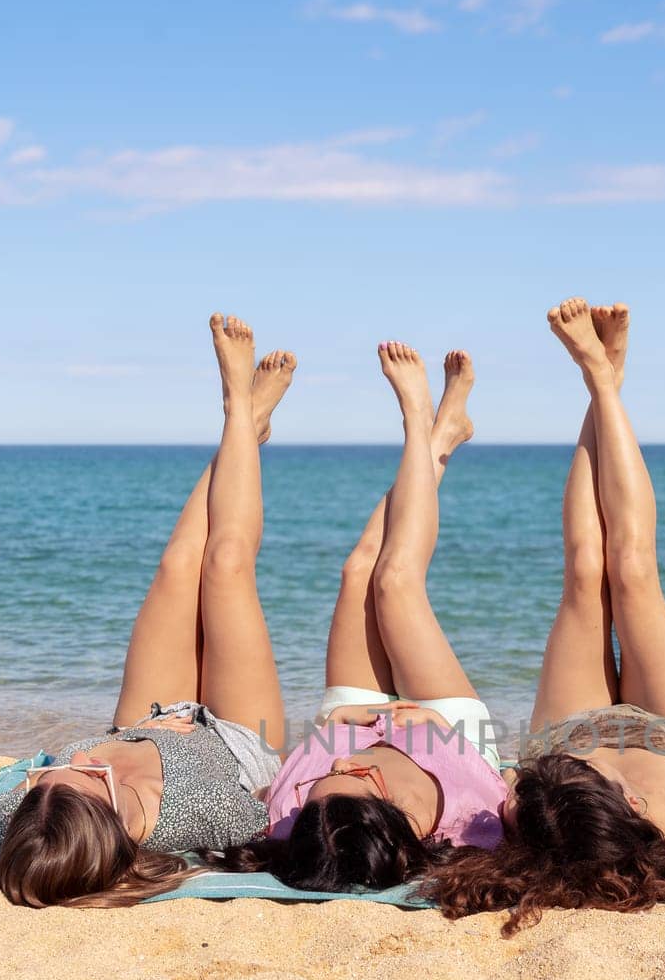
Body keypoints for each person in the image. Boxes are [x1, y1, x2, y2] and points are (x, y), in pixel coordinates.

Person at [428, 298, 665, 934]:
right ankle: (606, 378)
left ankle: (601, 379)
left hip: (567, 734)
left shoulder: (540, 819)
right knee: (632, 571)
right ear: (634, 807)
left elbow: (509, 793)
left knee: (583, 574)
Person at [0, 314, 294, 907]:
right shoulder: (196, 818)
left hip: (145, 720)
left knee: (177, 565)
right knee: (224, 564)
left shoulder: (18, 822)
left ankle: (244, 426)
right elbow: (267, 807)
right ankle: (241, 416)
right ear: (120, 825)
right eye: (91, 775)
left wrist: (69, 767)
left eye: (53, 773)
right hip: (235, 738)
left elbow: (14, 806)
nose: (82, 759)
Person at [214, 340, 510, 893]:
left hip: (352, 721)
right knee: (396, 581)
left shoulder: (295, 815)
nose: (346, 773)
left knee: (357, 571)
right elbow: (497, 778)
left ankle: (442, 437)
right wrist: (437, 727)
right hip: (447, 734)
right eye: (364, 783)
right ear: (405, 822)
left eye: (328, 787)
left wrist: (331, 740)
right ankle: (422, 424)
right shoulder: (470, 824)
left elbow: (306, 761)